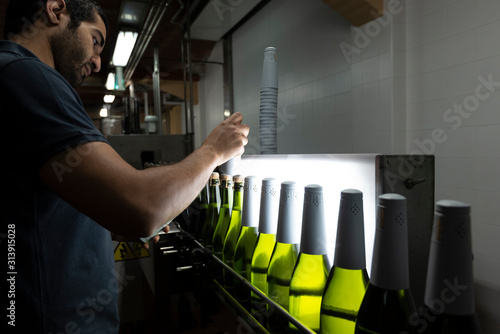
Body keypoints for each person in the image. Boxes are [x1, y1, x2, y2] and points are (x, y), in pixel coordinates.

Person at [0, 0, 249, 333]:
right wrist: (213, 151)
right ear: (55, 10)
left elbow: (50, 205)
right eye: (96, 41)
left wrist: (116, 222)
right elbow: (142, 207)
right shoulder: (28, 76)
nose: (99, 62)